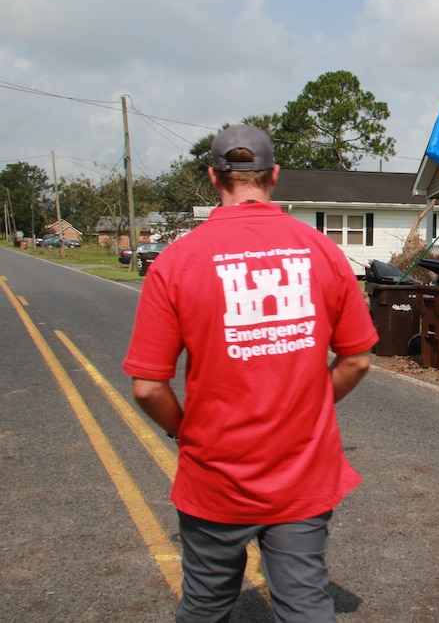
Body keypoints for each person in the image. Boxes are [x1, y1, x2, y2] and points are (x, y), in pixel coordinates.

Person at [123, 124, 378, 622]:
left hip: (214, 472)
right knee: (305, 603)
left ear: (213, 177)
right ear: (275, 176)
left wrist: (182, 430)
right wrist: (310, 406)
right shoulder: (324, 251)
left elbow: (149, 385)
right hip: (300, 472)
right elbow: (357, 358)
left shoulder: (176, 262)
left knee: (205, 605)